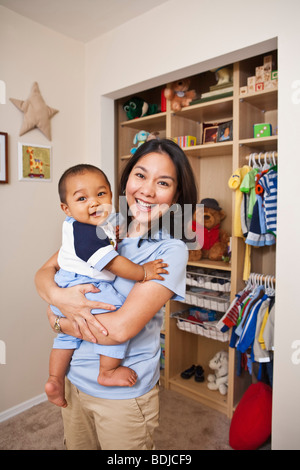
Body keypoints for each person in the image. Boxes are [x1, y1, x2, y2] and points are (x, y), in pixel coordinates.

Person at [35, 139, 198, 450]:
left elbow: (120, 329)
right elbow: (43, 274)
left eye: (163, 182)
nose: (148, 190)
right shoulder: (104, 224)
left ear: (176, 195)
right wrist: (59, 299)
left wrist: (59, 322)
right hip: (74, 378)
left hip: (122, 396)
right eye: (140, 175)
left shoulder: (169, 250)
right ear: (126, 180)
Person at [46, 163, 168, 407]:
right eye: (82, 198)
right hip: (86, 286)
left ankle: (54, 378)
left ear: (111, 196)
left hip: (65, 287)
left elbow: (107, 239)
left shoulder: (89, 225)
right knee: (113, 318)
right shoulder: (85, 233)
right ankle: (108, 371)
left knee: (65, 340)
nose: (94, 202)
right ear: (66, 208)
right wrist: (143, 271)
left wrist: (114, 234)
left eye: (101, 194)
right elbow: (113, 263)